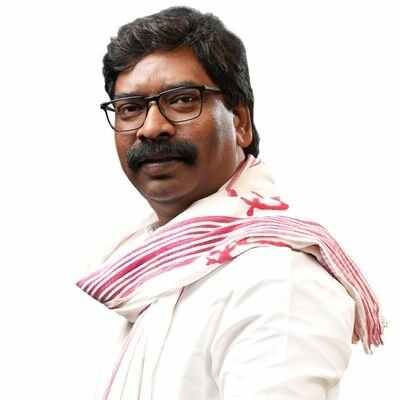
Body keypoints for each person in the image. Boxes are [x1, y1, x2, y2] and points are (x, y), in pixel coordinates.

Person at [77, 6, 386, 399]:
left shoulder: (276, 279)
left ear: (240, 122)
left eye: (182, 100)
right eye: (131, 108)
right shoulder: (156, 272)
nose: (152, 127)